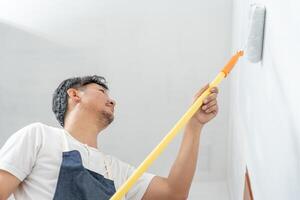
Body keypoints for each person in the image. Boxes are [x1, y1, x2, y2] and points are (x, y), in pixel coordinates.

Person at [0, 75, 219, 200]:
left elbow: (174, 193)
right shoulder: (39, 136)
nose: (112, 101)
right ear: (74, 94)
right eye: (101, 91)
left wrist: (194, 125)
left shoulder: (117, 171)